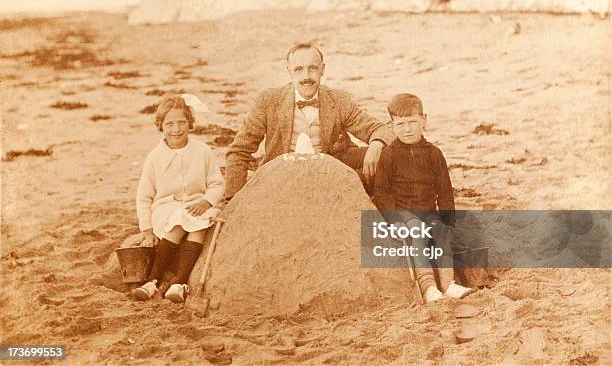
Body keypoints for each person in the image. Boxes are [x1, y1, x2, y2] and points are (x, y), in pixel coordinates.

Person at [224, 42, 395, 200]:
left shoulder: (338, 99)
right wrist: (232, 200)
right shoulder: (269, 101)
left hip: (329, 172)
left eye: (313, 68)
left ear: (323, 70)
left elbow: (379, 129)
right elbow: (239, 151)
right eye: (298, 69)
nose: (306, 76)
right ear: (289, 71)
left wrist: (377, 143)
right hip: (283, 176)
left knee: (388, 157)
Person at [373, 93, 472, 303]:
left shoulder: (434, 153)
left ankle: (448, 283)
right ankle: (428, 287)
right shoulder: (389, 155)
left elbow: (444, 190)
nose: (407, 129)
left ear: (424, 120)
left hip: (428, 210)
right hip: (403, 210)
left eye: (413, 122)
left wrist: (448, 219)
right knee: (417, 232)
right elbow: (382, 192)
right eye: (400, 124)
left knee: (440, 232)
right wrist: (394, 221)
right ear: (391, 125)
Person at [132, 94, 225, 303]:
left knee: (200, 224)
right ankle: (151, 281)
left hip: (197, 205)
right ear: (161, 126)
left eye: (182, 122)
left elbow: (217, 183)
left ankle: (179, 284)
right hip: (166, 209)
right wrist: (146, 230)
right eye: (170, 124)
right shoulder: (155, 157)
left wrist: (206, 201)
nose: (176, 129)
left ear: (190, 123)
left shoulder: (202, 151)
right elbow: (144, 196)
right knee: (180, 221)